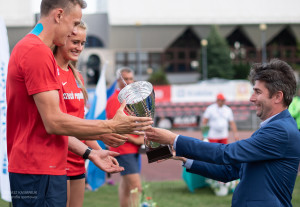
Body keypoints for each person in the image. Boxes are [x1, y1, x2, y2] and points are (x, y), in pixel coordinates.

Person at [6, 0, 152, 207]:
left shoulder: (34, 49)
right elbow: (55, 122)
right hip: (37, 169)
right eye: (74, 23)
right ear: (58, 15)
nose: (73, 32)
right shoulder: (36, 51)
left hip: (42, 168)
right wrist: (111, 127)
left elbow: (48, 123)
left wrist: (90, 153)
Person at [145, 59, 300, 207]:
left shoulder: (280, 130)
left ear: (278, 96)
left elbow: (226, 153)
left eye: (257, 92)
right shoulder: (274, 127)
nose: (251, 98)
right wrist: (184, 158)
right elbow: (229, 171)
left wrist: (174, 139)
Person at [54, 21, 127, 207]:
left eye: (82, 43)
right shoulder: (50, 73)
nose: (79, 47)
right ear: (62, 39)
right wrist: (91, 151)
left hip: (78, 160)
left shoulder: (77, 76)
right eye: (75, 41)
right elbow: (57, 124)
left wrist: (100, 152)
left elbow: (81, 124)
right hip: (56, 162)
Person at [106, 67, 144, 207]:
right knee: (136, 188)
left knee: (126, 186)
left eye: (130, 79)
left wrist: (141, 135)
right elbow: (112, 127)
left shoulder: (133, 100)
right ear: (118, 81)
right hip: (123, 148)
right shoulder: (114, 100)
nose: (128, 82)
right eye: (125, 79)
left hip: (132, 149)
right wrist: (135, 139)